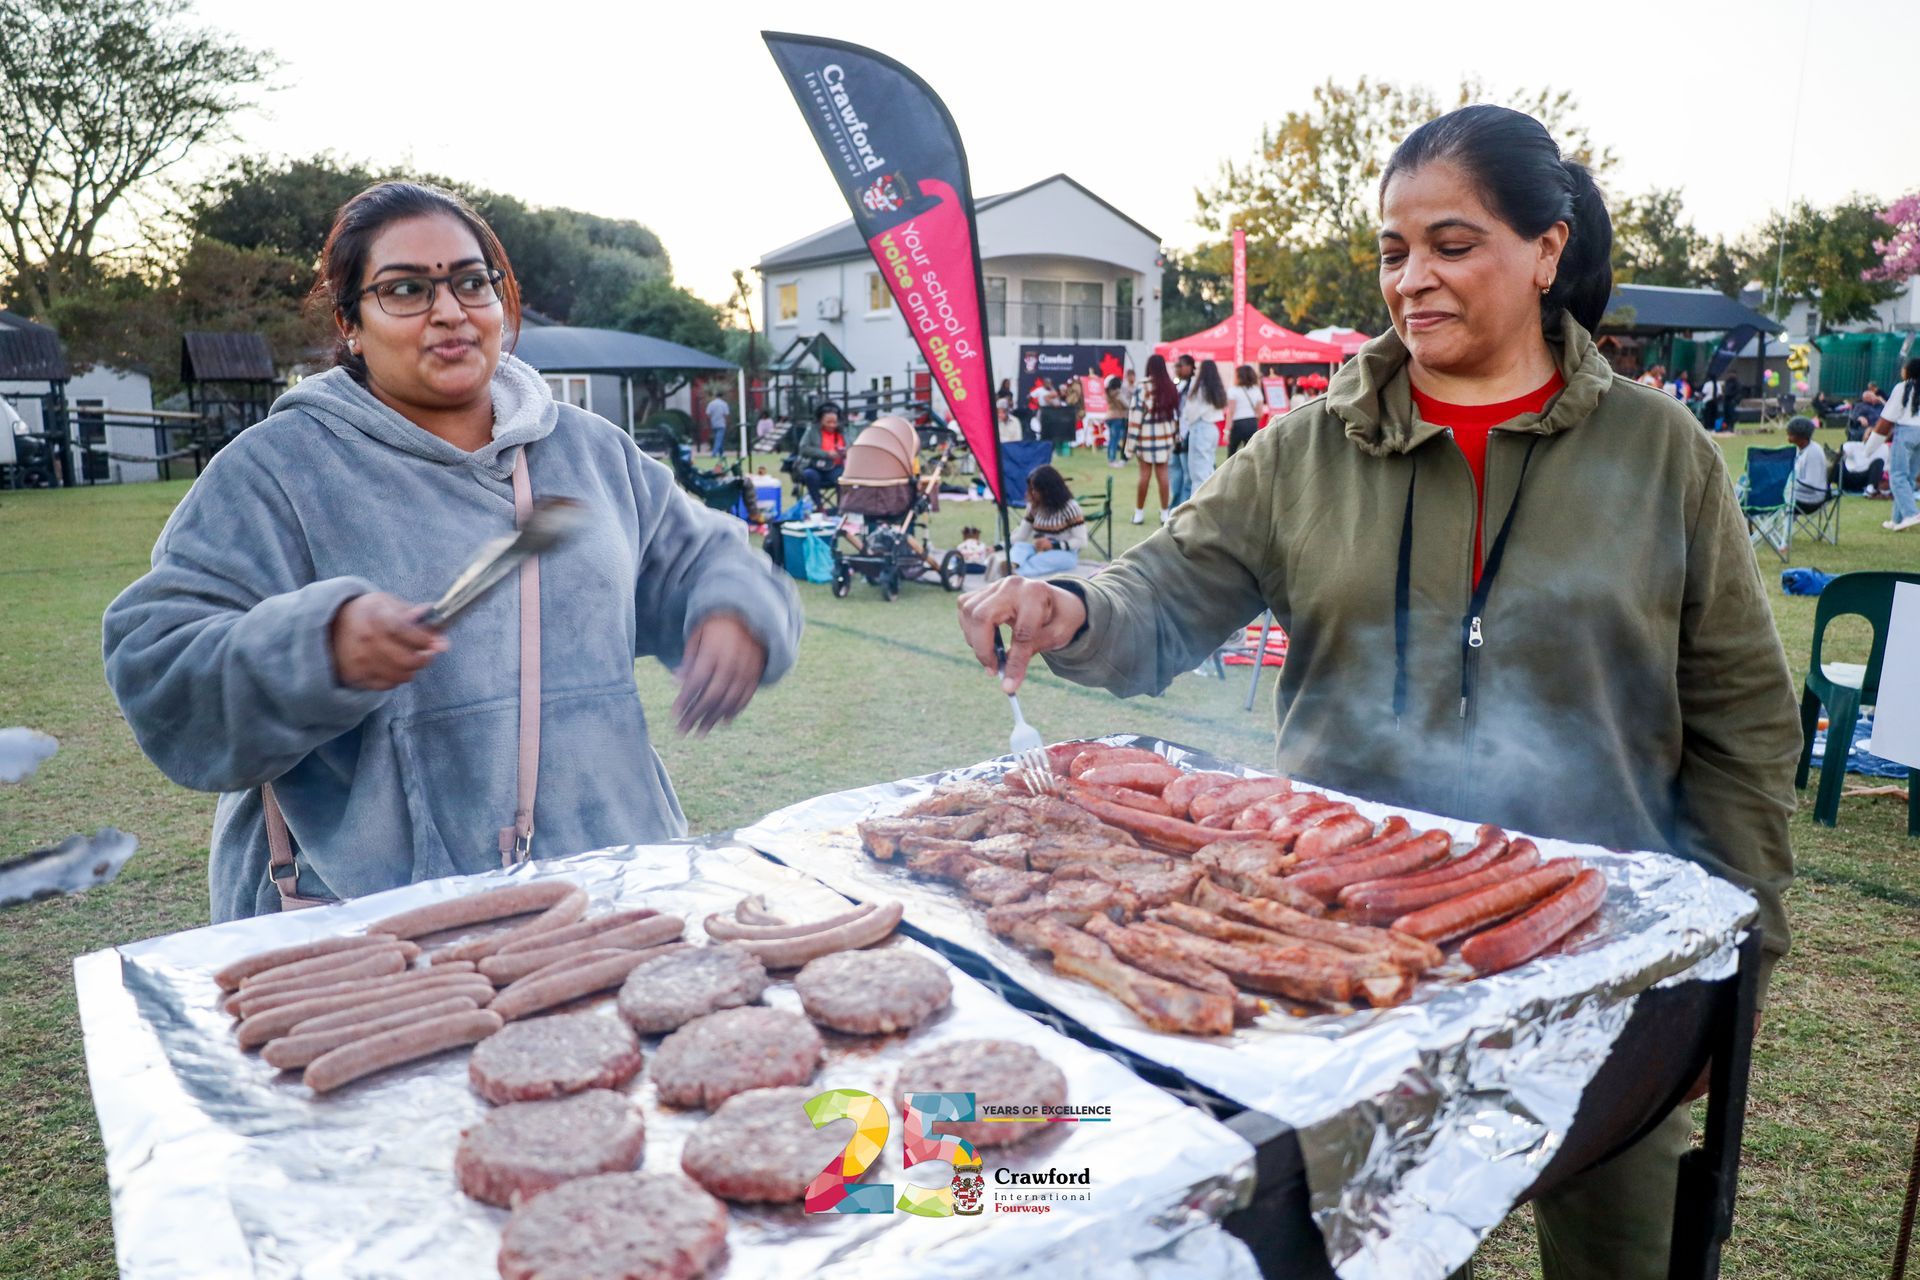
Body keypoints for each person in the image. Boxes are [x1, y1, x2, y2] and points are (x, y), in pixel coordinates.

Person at [957, 104, 1797, 1280]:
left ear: (1547, 250)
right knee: (1371, 1251)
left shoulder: (1661, 451)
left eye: (1452, 245)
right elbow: (1168, 586)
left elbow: (1745, 716)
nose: (1413, 280)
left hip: (1595, 954)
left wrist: (1737, 953)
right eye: (1395, 251)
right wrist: (1074, 605)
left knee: (1627, 1259)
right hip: (1339, 961)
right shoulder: (1309, 446)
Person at [100, 181, 802, 922]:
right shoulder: (277, 470)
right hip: (374, 922)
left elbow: (703, 560)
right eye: (405, 289)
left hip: (609, 893)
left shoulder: (592, 452)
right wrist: (317, 647)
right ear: (351, 322)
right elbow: (159, 664)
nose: (449, 311)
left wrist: (733, 613)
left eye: (471, 282)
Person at [1008, 464, 1087, 577]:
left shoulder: (1070, 508)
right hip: (1037, 550)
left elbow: (1081, 541)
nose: (1033, 493)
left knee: (1043, 560)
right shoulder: (1034, 507)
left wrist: (1053, 545)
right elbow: (1021, 535)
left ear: (1048, 490)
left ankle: (1016, 572)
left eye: (1036, 489)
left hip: (1064, 553)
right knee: (1020, 547)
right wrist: (998, 546)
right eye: (1031, 489)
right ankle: (1012, 565)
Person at [1129, 354, 1178, 524]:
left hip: (1145, 436)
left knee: (1144, 476)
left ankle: (1138, 514)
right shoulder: (1170, 387)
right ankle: (1165, 513)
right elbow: (1175, 417)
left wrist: (1129, 446)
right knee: (1163, 475)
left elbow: (1136, 416)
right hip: (1165, 437)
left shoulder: (1142, 387)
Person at [1873, 358, 1920, 531]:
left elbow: (1889, 415)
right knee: (1909, 478)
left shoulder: (1902, 388)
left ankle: (1910, 514)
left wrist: (1873, 441)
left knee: (1897, 476)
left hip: (1906, 432)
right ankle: (1897, 520)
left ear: (1909, 372)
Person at [1174, 358, 1228, 504]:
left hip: (1199, 428)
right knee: (1208, 468)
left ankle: (1197, 508)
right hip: (1212, 429)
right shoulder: (1216, 388)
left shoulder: (1198, 387)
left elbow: (1190, 412)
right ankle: (1209, 502)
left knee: (1198, 474)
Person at [797, 403, 849, 510]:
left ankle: (841, 508)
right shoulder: (812, 431)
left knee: (843, 478)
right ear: (820, 420)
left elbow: (851, 447)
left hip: (836, 468)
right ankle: (819, 507)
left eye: (834, 422)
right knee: (809, 475)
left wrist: (844, 452)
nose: (832, 425)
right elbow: (803, 448)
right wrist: (826, 454)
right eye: (828, 422)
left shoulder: (843, 432)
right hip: (815, 467)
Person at [1786, 417, 1831, 512]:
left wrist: (1789, 485)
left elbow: (1811, 484)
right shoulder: (1801, 449)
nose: (1788, 439)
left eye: (1791, 435)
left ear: (1802, 437)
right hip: (1798, 494)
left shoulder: (1813, 453)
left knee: (1775, 496)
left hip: (1811, 499)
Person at [1226, 364, 1265, 456]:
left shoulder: (1233, 391)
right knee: (1251, 453)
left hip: (1237, 424)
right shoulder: (1256, 390)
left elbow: (1231, 411)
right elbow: (1260, 413)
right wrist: (1254, 423)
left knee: (1232, 453)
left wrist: (1227, 430)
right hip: (1252, 423)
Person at [1840, 431, 1890, 496]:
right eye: (1869, 434)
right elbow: (1841, 452)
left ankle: (1869, 490)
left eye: (1873, 436)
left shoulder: (1884, 448)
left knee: (1879, 462)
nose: (1871, 437)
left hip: (1867, 479)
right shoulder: (1853, 445)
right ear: (1864, 435)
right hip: (1850, 476)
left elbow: (1887, 468)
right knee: (1836, 464)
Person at [1104, 374, 1130, 467]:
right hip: (1117, 418)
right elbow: (1126, 405)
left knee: (1112, 439)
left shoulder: (1107, 393)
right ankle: (1112, 460)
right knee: (1115, 439)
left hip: (1109, 417)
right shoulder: (1118, 394)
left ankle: (1110, 458)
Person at [705, 392, 731, 458]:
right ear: (722, 396)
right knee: (719, 439)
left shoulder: (711, 404)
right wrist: (727, 423)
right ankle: (714, 453)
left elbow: (708, 414)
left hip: (713, 423)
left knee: (719, 439)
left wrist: (709, 423)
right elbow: (726, 415)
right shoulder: (724, 404)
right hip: (721, 424)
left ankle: (721, 453)